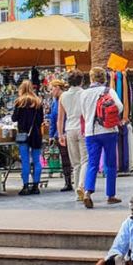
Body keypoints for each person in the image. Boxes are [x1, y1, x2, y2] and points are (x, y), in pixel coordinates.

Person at [80, 67, 124, 208]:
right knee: (110, 163)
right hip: (109, 130)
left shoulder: (84, 94)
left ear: (91, 78)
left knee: (92, 163)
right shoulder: (108, 91)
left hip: (91, 132)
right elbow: (120, 106)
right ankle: (110, 195)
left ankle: (87, 191)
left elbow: (83, 112)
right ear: (104, 78)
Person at [58, 70, 89, 201]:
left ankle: (78, 193)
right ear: (81, 81)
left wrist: (60, 134)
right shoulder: (84, 94)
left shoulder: (63, 96)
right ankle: (81, 186)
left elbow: (60, 118)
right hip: (83, 128)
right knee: (85, 160)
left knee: (75, 163)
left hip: (69, 129)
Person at [12, 80, 45, 196]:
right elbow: (41, 120)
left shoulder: (19, 102)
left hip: (23, 135)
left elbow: (14, 118)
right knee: (36, 161)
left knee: (25, 161)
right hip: (36, 134)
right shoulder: (38, 102)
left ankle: (25, 186)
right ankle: (36, 186)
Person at [48, 79, 73, 192]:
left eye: (52, 89)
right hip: (60, 134)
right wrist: (51, 135)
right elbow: (53, 119)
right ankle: (68, 181)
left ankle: (76, 181)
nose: (51, 92)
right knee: (65, 158)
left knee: (73, 158)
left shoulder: (65, 98)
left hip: (69, 131)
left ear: (57, 88)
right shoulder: (55, 102)